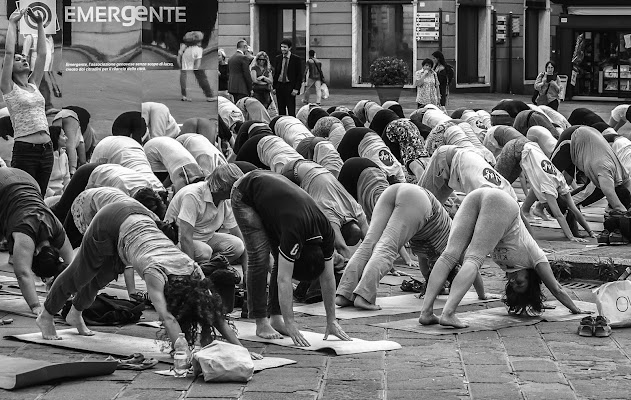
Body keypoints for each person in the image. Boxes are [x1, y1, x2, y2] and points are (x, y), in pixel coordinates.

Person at [35, 201, 262, 362]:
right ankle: (45, 315)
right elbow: (167, 317)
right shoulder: (155, 273)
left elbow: (216, 316)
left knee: (104, 275)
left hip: (140, 218)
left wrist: (241, 350)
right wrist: (181, 347)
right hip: (110, 218)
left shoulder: (193, 269)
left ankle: (75, 313)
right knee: (81, 274)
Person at [419, 188, 592, 329]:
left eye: (513, 284)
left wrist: (536, 304)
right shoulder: (536, 258)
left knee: (450, 255)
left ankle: (426, 313)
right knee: (474, 258)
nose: (514, 279)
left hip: (477, 196)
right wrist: (576, 309)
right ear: (531, 280)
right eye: (521, 283)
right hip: (501, 203)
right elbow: (556, 288)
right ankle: (448, 313)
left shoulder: (511, 267)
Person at [231, 169, 351, 345]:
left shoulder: (326, 234)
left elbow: (328, 277)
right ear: (299, 255)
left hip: (276, 199)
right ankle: (261, 322)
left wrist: (331, 320)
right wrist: (291, 323)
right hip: (246, 192)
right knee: (260, 258)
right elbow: (283, 279)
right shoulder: (294, 233)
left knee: (282, 260)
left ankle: (276, 318)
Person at [0, 167, 73, 316]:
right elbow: (22, 273)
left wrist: (76, 296)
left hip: (27, 179)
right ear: (35, 252)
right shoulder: (25, 235)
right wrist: (36, 307)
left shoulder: (57, 232)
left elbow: (73, 267)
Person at [494, 137, 596, 242]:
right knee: (495, 186)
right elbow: (559, 215)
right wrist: (571, 237)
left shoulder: (562, 183)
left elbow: (574, 209)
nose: (543, 205)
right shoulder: (549, 189)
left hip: (527, 146)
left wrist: (590, 232)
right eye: (546, 207)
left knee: (503, 185)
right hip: (516, 148)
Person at [1, 9, 53, 195]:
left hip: (47, 149)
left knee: (39, 196)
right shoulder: (8, 86)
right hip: (25, 151)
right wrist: (13, 23)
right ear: (10, 68)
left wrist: (40, 25)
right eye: (18, 59)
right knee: (25, 197)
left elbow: (41, 55)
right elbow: (8, 53)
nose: (23, 59)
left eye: (23, 57)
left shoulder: (34, 84)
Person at [281, 159, 368, 259]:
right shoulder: (331, 217)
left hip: (313, 166)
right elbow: (342, 248)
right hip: (292, 173)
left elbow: (370, 241)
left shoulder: (356, 210)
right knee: (298, 222)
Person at [165, 164, 246, 266]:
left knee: (238, 245)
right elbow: (185, 237)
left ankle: (208, 269)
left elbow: (239, 236)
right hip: (178, 241)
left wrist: (247, 273)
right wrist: (191, 271)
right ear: (222, 187)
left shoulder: (227, 199)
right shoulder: (193, 195)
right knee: (205, 252)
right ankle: (196, 270)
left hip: (206, 238)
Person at [22, 33, 59, 116]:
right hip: (33, 67)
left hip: (44, 67)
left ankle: (42, 107)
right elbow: (25, 54)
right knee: (40, 85)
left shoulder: (49, 38)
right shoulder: (31, 37)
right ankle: (47, 106)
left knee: (39, 85)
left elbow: (51, 53)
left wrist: (50, 67)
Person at [178, 31, 214, 102]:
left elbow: (178, 58)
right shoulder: (199, 50)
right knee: (202, 76)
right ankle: (209, 95)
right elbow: (197, 64)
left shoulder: (184, 47)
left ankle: (184, 95)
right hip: (193, 66)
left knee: (183, 76)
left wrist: (180, 63)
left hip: (184, 66)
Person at [273, 39, 303, 117]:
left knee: (291, 109)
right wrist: (274, 87)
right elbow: (276, 73)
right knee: (281, 109)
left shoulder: (296, 59)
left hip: (290, 86)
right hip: (280, 86)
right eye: (281, 47)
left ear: (289, 48)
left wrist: (296, 88)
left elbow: (299, 75)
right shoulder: (278, 58)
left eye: (285, 47)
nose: (283, 49)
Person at [45, 126, 70, 198]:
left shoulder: (64, 155)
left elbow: (66, 179)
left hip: (62, 194)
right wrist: (53, 194)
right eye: (63, 136)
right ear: (56, 138)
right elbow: (42, 182)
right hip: (48, 196)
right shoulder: (46, 157)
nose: (66, 138)